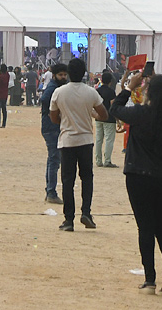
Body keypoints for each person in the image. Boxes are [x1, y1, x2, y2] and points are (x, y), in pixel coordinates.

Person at [110, 71, 162, 296]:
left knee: (145, 228)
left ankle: (149, 280)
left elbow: (114, 110)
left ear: (148, 92)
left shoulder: (140, 113)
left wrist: (129, 87)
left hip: (139, 175)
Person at [48, 57, 108, 232]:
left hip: (67, 140)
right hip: (86, 140)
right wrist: (89, 114)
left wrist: (66, 119)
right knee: (87, 178)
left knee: (68, 180)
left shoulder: (59, 92)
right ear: (83, 74)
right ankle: (87, 213)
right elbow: (104, 115)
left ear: (67, 73)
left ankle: (68, 219)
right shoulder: (91, 92)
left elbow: (53, 117)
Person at [40, 63, 69, 203]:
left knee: (52, 160)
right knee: (54, 160)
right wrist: (55, 113)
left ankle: (49, 191)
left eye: (65, 74)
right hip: (51, 128)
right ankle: (51, 192)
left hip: (53, 127)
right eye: (60, 75)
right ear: (54, 75)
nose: (63, 77)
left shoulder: (58, 86)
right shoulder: (53, 87)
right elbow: (44, 100)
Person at [94, 70, 118, 168]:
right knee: (109, 140)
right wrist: (118, 120)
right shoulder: (111, 92)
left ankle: (98, 160)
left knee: (99, 139)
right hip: (109, 118)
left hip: (98, 117)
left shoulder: (97, 91)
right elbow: (113, 106)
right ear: (110, 82)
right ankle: (107, 160)